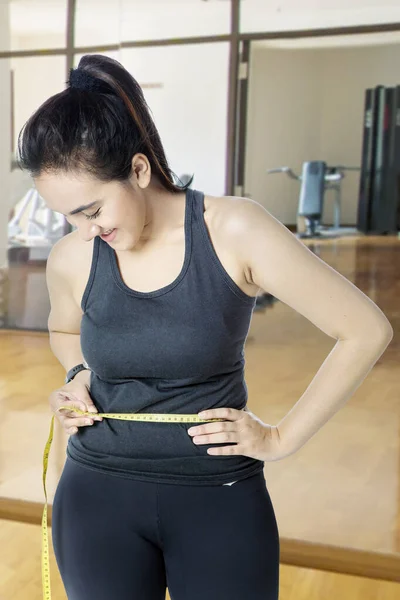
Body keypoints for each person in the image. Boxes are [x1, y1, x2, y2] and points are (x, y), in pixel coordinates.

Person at [17, 54, 393, 600]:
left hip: (217, 493)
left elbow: (365, 329)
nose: (84, 230)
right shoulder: (74, 256)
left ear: (139, 170)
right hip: (95, 494)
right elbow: (66, 331)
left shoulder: (233, 229)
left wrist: (281, 438)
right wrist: (76, 373)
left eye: (93, 210)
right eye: (68, 216)